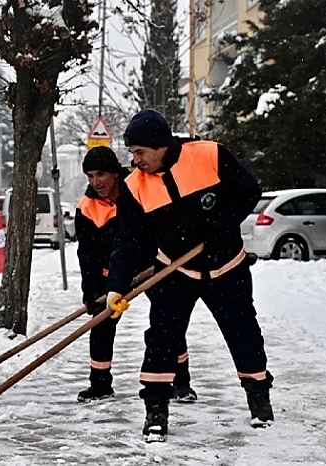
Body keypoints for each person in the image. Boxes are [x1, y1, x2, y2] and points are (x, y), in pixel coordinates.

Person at [105, 109, 273, 443]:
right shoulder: (133, 187)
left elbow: (248, 191)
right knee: (162, 339)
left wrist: (221, 226)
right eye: (132, 153)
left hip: (227, 267)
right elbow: (129, 241)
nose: (135, 160)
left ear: (160, 145)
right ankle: (155, 410)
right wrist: (117, 286)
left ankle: (259, 401)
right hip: (175, 268)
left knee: (243, 334)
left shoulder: (209, 155)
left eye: (139, 152)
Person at [75, 146, 198, 404]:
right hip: (114, 275)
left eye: (100, 175)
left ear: (115, 173)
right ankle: (100, 384)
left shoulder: (138, 188)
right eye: (90, 176)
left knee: (168, 321)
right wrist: (92, 291)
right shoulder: (87, 208)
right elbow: (87, 254)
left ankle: (181, 382)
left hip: (154, 266)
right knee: (101, 325)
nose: (95, 182)